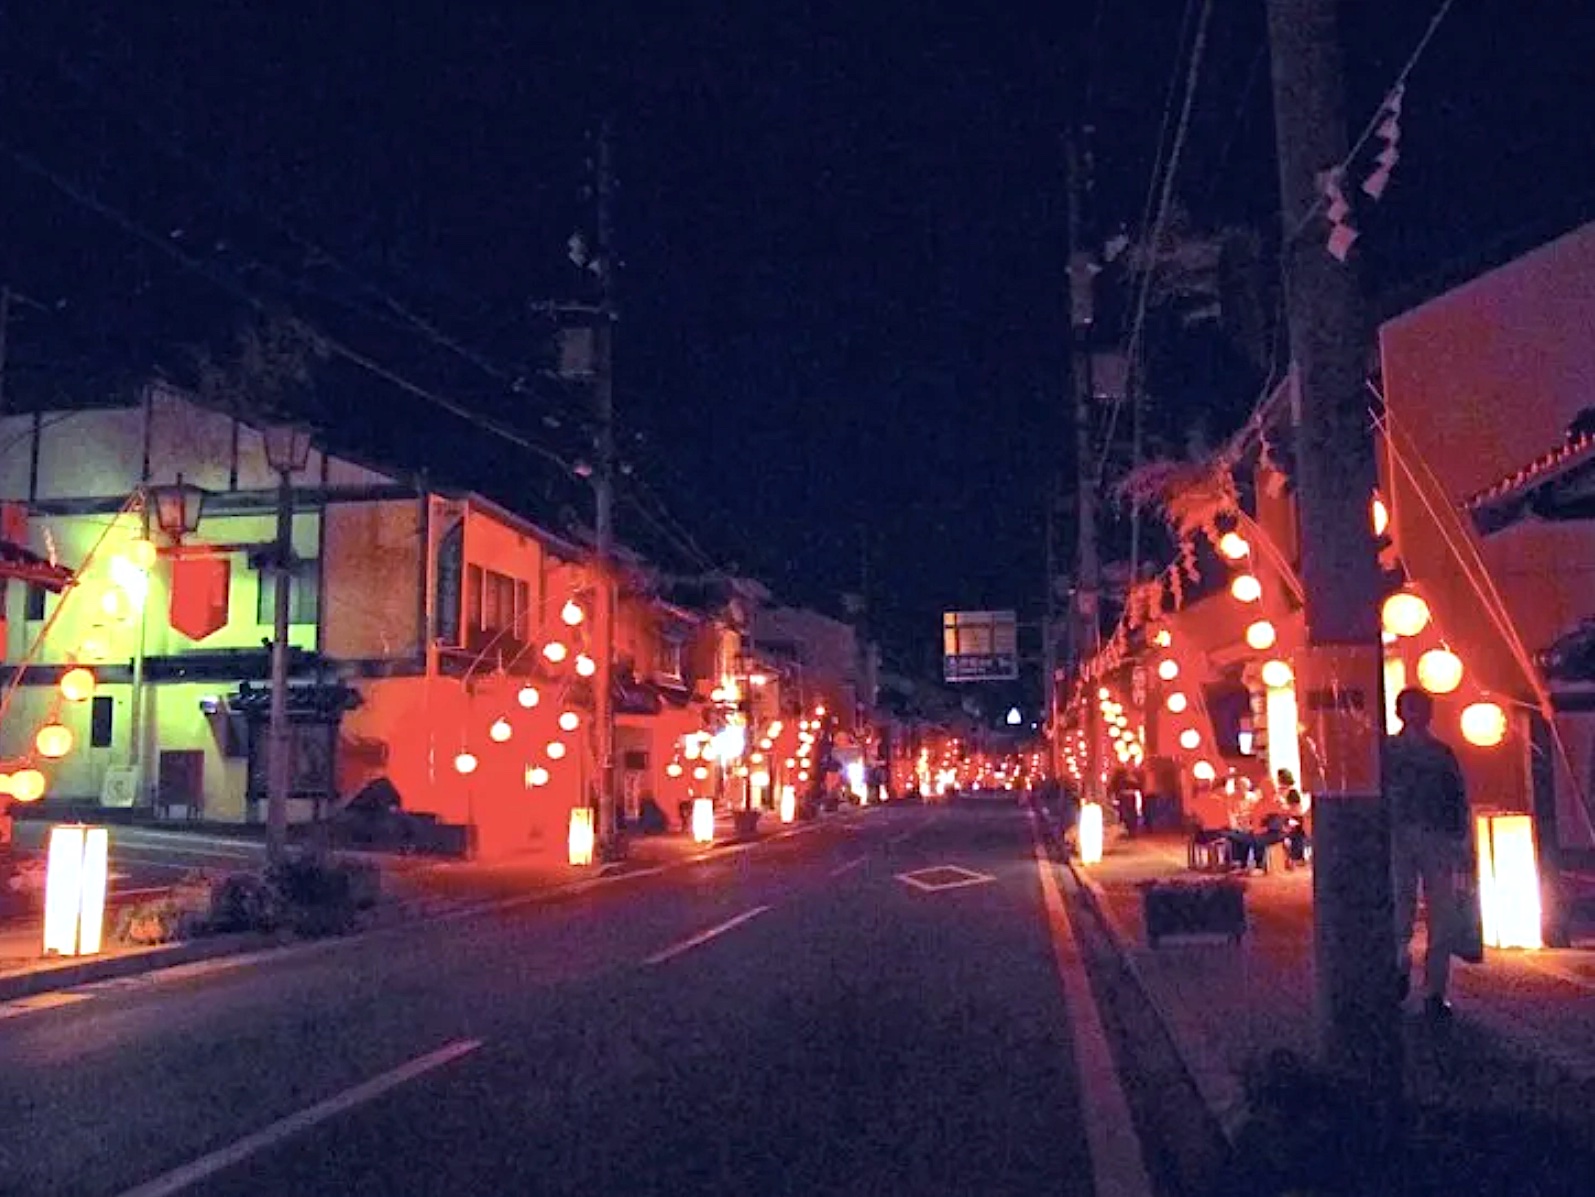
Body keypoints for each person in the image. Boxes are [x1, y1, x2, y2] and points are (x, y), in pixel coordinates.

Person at [1386, 687, 1470, 1019]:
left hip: (1420, 834)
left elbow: (1457, 798)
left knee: (1430, 911)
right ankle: (1411, 975)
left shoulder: (1401, 752)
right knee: (1413, 908)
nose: (1417, 715)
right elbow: (1456, 798)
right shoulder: (1430, 753)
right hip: (1412, 834)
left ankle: (1429, 986)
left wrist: (1459, 837)